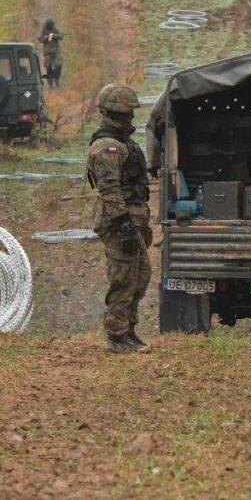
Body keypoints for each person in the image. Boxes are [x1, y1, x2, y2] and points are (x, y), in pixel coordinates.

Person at [87, 83, 152, 354]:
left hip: (132, 218)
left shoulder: (121, 142)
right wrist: (123, 225)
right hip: (119, 221)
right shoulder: (107, 147)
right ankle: (116, 335)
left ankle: (128, 329)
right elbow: (110, 191)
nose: (131, 117)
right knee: (123, 277)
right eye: (128, 112)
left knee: (141, 274)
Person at [37, 18, 64, 88]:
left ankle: (56, 79)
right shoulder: (43, 29)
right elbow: (40, 38)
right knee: (48, 67)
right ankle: (50, 84)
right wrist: (46, 37)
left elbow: (61, 36)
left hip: (56, 52)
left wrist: (54, 35)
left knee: (59, 65)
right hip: (47, 53)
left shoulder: (55, 29)